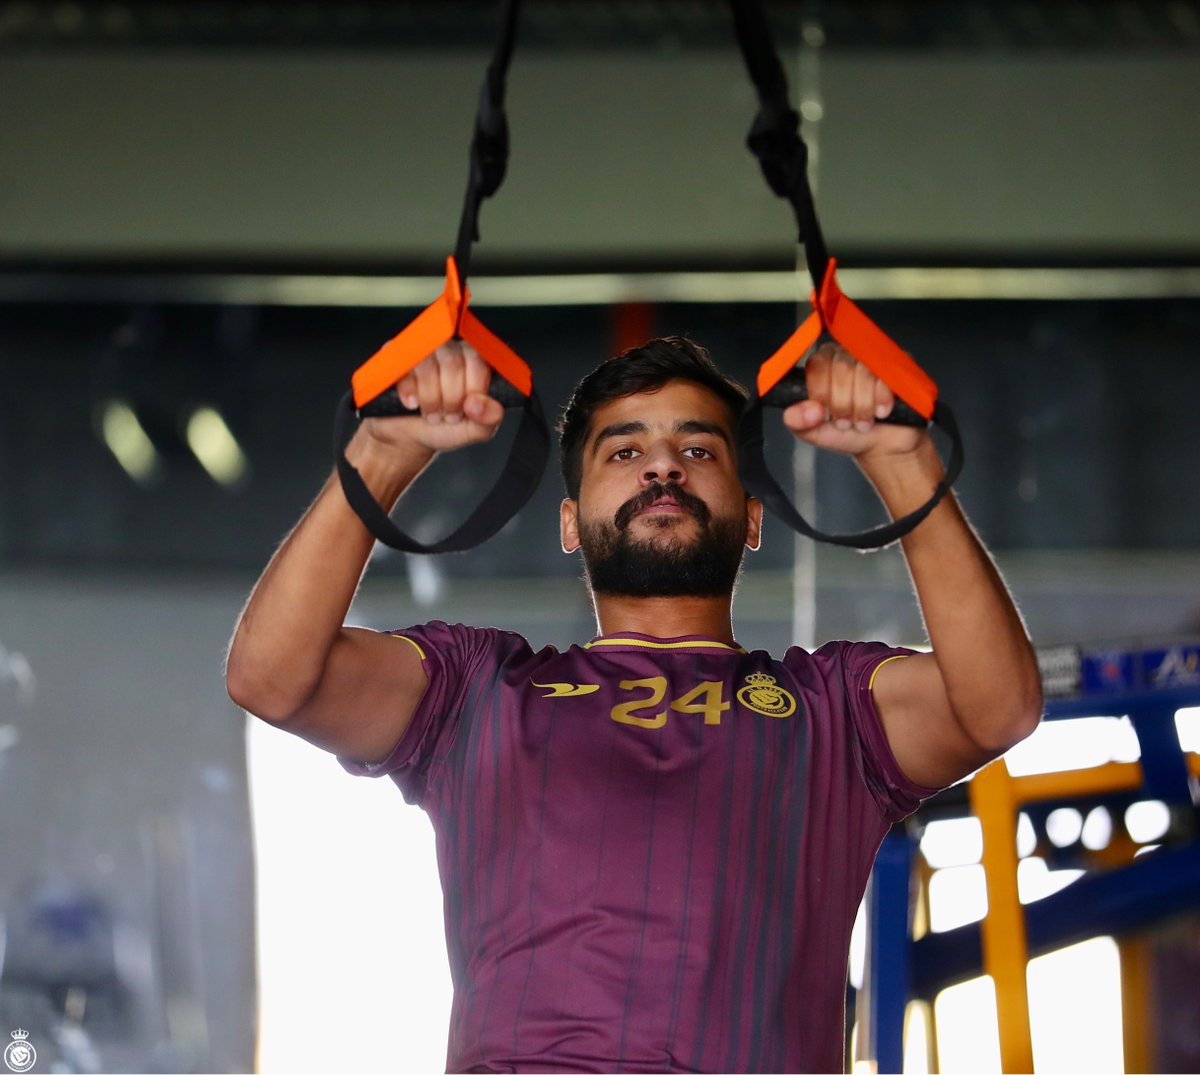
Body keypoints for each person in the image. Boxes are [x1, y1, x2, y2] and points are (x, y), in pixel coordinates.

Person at [226, 335, 1042, 1073]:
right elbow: (272, 678)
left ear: (753, 518)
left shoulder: (832, 709)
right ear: (570, 523)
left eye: (698, 448)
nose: (663, 468)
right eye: (624, 450)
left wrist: (903, 463)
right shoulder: (474, 688)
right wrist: (381, 454)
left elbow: (997, 707)